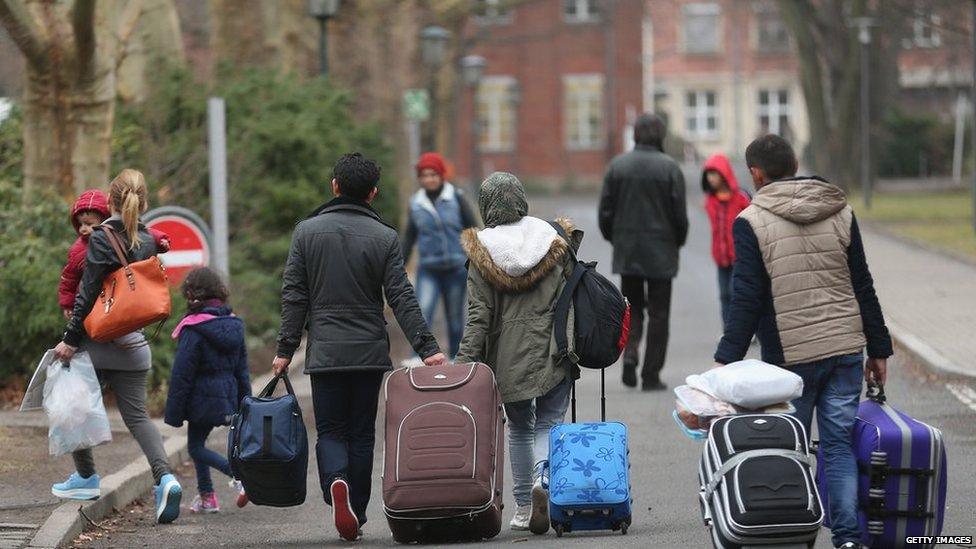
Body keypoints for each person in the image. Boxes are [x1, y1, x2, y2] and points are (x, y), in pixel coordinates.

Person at [713, 135, 892, 549]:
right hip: (846, 348)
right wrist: (878, 347)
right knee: (838, 446)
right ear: (794, 164)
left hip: (789, 357)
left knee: (788, 450)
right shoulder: (840, 209)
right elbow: (862, 283)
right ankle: (847, 538)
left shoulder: (750, 221)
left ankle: (794, 533)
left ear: (756, 174)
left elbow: (747, 298)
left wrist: (726, 361)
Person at [272, 153, 447, 542]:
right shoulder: (384, 237)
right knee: (362, 433)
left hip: (326, 351)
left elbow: (294, 295)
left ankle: (336, 483)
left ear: (334, 185)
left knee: (331, 429)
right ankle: (359, 512)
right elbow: (401, 295)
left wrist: (285, 348)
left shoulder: (306, 232)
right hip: (368, 351)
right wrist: (427, 346)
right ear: (373, 193)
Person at [52, 169, 184, 524]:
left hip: (96, 343)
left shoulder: (100, 238)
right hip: (135, 345)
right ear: (144, 202)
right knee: (139, 418)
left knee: (71, 406)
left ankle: (85, 477)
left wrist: (69, 340)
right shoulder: (148, 239)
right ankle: (166, 478)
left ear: (109, 201)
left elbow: (89, 293)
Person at [455, 172, 582, 536]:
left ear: (487, 207)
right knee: (549, 422)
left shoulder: (482, 253)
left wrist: (462, 368)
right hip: (556, 348)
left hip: (507, 359)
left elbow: (479, 318)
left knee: (521, 429)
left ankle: (526, 506)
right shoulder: (554, 240)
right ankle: (546, 477)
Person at [598, 113, 688, 391]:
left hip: (628, 250)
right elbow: (679, 216)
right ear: (660, 135)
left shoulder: (617, 166)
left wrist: (616, 239)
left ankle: (631, 353)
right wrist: (676, 242)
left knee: (632, 308)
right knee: (660, 313)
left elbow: (605, 212)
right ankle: (651, 374)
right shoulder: (670, 168)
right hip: (662, 250)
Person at [164, 267, 251, 513]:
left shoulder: (193, 328)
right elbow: (242, 369)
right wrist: (245, 403)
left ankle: (239, 477)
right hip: (226, 395)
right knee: (197, 442)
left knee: (195, 448)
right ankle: (207, 497)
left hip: (200, 398)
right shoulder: (234, 324)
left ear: (192, 294)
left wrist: (173, 412)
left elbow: (182, 373)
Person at [401, 152, 479, 362]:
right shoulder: (416, 203)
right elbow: (409, 236)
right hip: (429, 269)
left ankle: (456, 357)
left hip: (455, 267)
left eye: (433, 174)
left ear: (441, 175)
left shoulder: (456, 197)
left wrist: (477, 260)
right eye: (425, 175)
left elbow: (472, 228)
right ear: (420, 178)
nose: (429, 179)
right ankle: (417, 357)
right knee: (423, 313)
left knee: (454, 318)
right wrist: (399, 266)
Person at [59, 189, 170, 320]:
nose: (83, 228)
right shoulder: (78, 250)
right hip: (93, 305)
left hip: (121, 298)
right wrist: (68, 304)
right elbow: (69, 279)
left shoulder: (116, 236)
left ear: (105, 221)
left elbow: (140, 233)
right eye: (80, 224)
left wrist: (160, 240)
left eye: (89, 224)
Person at [700, 154, 751, 329]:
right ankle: (728, 330)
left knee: (737, 292)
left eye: (714, 174)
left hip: (739, 254)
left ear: (724, 173)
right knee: (724, 294)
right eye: (708, 174)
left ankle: (743, 329)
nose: (711, 178)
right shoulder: (710, 201)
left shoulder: (741, 197)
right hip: (720, 256)